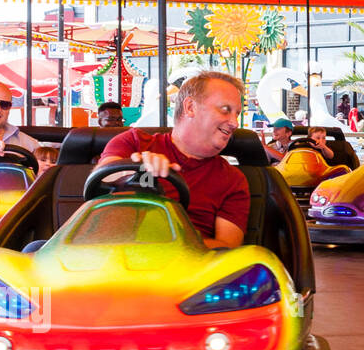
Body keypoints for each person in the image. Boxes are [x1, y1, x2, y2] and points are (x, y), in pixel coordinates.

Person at [96, 71, 250, 249]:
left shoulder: (233, 180)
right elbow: (102, 176)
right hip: (113, 256)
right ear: (190, 107)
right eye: (225, 110)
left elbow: (226, 248)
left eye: (237, 114)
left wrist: (162, 245)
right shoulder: (134, 142)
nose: (234, 123)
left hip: (185, 268)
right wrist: (133, 169)